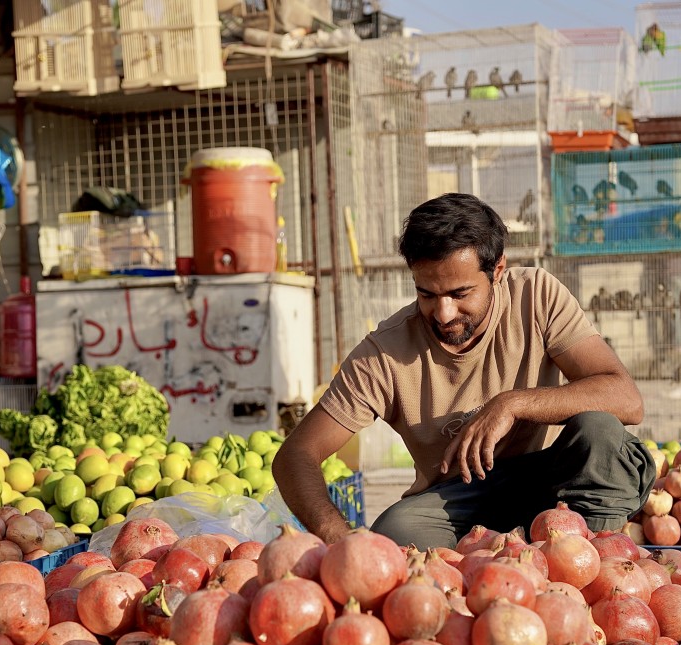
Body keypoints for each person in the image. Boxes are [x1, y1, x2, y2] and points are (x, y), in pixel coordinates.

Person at [272, 193, 655, 550]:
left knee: (600, 434)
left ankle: (591, 564)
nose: (443, 313)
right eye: (427, 294)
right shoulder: (384, 354)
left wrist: (512, 404)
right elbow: (295, 455)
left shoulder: (536, 296)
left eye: (459, 294)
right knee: (394, 531)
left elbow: (625, 398)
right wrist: (342, 543)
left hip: (548, 488)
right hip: (458, 503)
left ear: (498, 270)